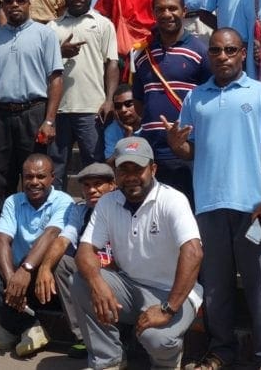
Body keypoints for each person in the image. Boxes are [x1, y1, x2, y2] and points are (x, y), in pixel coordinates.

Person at [163, 28, 261, 370]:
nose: (223, 56)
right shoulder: (195, 98)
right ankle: (222, 352)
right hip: (208, 206)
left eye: (230, 50)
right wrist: (177, 145)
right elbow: (191, 150)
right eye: (215, 51)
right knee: (215, 287)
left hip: (252, 207)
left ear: (243, 52)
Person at [71, 137, 204, 370]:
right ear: (116, 173)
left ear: (153, 169)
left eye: (138, 169)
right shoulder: (108, 202)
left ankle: (166, 364)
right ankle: (109, 360)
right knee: (81, 281)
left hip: (173, 293)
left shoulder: (172, 199)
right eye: (124, 169)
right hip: (130, 286)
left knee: (157, 339)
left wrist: (168, 309)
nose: (131, 176)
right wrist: (97, 283)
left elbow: (193, 252)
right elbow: (85, 250)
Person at [0, 154, 74, 358]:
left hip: (46, 281)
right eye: (29, 177)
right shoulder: (13, 201)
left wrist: (26, 270)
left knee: (49, 263)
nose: (34, 182)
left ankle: (9, 327)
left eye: (41, 176)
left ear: (52, 177)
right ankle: (28, 326)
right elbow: (0, 239)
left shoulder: (64, 201)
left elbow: (51, 234)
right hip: (17, 279)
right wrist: (11, 281)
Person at [0, 0, 63, 224]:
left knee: (35, 177)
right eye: (9, 1)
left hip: (34, 114)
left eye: (19, 0)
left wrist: (49, 120)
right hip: (0, 116)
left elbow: (56, 78)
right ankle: (1, 240)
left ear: (28, 4)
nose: (14, 5)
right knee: (1, 179)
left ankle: (34, 237)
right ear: (3, 6)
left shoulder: (45, 34)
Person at [132, 0, 211, 201]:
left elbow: (210, 99)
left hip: (184, 153)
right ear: (153, 13)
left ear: (184, 11)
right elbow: (139, 103)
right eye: (160, 9)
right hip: (150, 151)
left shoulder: (200, 51)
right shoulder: (142, 55)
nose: (167, 14)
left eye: (172, 8)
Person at [34, 162, 118, 360]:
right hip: (90, 271)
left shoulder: (121, 207)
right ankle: (83, 337)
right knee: (62, 263)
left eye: (98, 184)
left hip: (118, 273)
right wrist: (44, 268)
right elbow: (63, 239)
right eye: (87, 186)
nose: (92, 190)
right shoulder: (80, 210)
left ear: (112, 185)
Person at [47, 0, 119, 187]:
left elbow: (112, 64)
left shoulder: (103, 24)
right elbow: (42, 66)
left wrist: (109, 99)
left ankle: (95, 217)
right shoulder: (52, 27)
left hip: (92, 109)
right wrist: (60, 52)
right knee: (56, 169)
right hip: (59, 111)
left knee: (95, 168)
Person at [102, 83, 141, 161]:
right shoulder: (112, 130)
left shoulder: (150, 126)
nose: (123, 110)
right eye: (118, 106)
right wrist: (127, 138)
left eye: (129, 104)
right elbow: (110, 165)